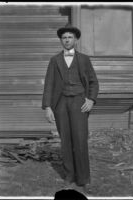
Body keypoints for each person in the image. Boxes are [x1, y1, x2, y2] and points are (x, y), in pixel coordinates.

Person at [42, 24, 99, 188]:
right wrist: (47, 107)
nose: (67, 40)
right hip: (60, 104)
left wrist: (91, 100)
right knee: (65, 140)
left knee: (80, 139)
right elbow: (49, 85)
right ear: (61, 40)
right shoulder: (55, 60)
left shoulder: (84, 59)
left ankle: (83, 178)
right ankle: (69, 175)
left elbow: (94, 82)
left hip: (79, 102)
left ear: (76, 40)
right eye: (64, 38)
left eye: (70, 37)